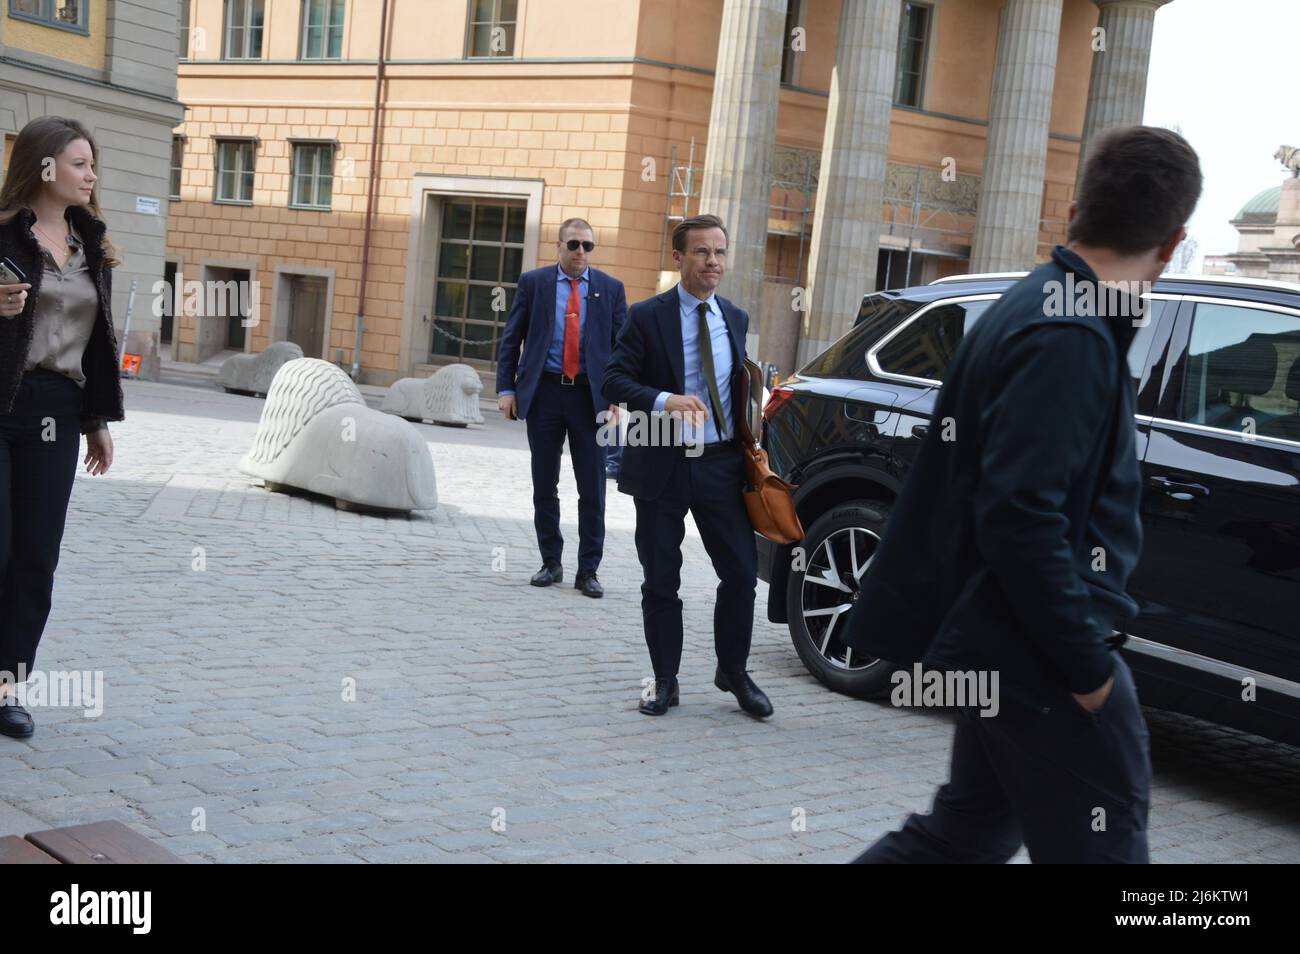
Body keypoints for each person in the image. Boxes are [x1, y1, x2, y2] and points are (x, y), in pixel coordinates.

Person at [842, 126, 1202, 863]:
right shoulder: (1067, 335)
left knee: (961, 836)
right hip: (1042, 665)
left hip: (1005, 647)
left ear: (1075, 211)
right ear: (1173, 242)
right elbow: (1021, 519)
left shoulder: (1041, 305)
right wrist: (1089, 671)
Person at [603, 213, 771, 719]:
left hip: (721, 465)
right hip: (663, 463)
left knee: (741, 573)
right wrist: (662, 400)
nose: (712, 262)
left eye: (719, 252)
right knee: (661, 578)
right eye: (701, 252)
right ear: (678, 257)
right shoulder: (646, 315)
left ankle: (733, 671)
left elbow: (737, 386)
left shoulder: (735, 318)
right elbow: (613, 380)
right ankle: (665, 679)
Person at [0, 116, 123, 739]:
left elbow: (97, 343)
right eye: (80, 163)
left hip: (57, 411)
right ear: (45, 166)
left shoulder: (91, 246)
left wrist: (96, 420)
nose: (91, 174)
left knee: (35, 558)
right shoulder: (1, 235)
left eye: (92, 163)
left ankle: (6, 688)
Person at [496, 219, 627, 598]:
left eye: (588, 245)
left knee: (593, 488)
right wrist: (507, 388)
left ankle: (589, 570)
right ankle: (550, 562)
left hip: (591, 399)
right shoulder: (534, 284)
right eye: (574, 244)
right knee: (544, 483)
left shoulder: (610, 289)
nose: (580, 252)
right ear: (559, 245)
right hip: (546, 396)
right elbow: (512, 340)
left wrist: (617, 398)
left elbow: (623, 350)